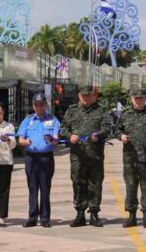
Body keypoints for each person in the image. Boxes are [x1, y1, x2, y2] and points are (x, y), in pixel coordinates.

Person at [60, 84, 112, 227]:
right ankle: (80, 213)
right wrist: (70, 136)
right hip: (78, 155)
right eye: (83, 96)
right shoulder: (72, 110)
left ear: (93, 96)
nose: (86, 98)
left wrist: (99, 135)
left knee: (95, 183)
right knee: (78, 182)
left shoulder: (101, 110)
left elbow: (108, 127)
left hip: (95, 155)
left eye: (88, 95)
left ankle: (94, 213)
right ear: (79, 96)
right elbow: (63, 128)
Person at [117, 88, 146, 228]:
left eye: (141, 98)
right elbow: (116, 129)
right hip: (129, 157)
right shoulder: (125, 114)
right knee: (130, 185)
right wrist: (120, 136)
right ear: (131, 99)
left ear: (145, 99)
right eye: (136, 98)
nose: (138, 100)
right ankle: (131, 215)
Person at [16, 92, 60, 228]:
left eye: (41, 105)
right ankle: (32, 217)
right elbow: (20, 139)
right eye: (36, 105)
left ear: (46, 105)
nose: (39, 107)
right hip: (31, 158)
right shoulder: (27, 120)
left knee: (45, 188)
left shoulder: (53, 120)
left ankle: (45, 218)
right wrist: (25, 142)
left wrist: (51, 140)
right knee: (32, 188)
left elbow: (56, 140)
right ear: (33, 106)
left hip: (46, 158)